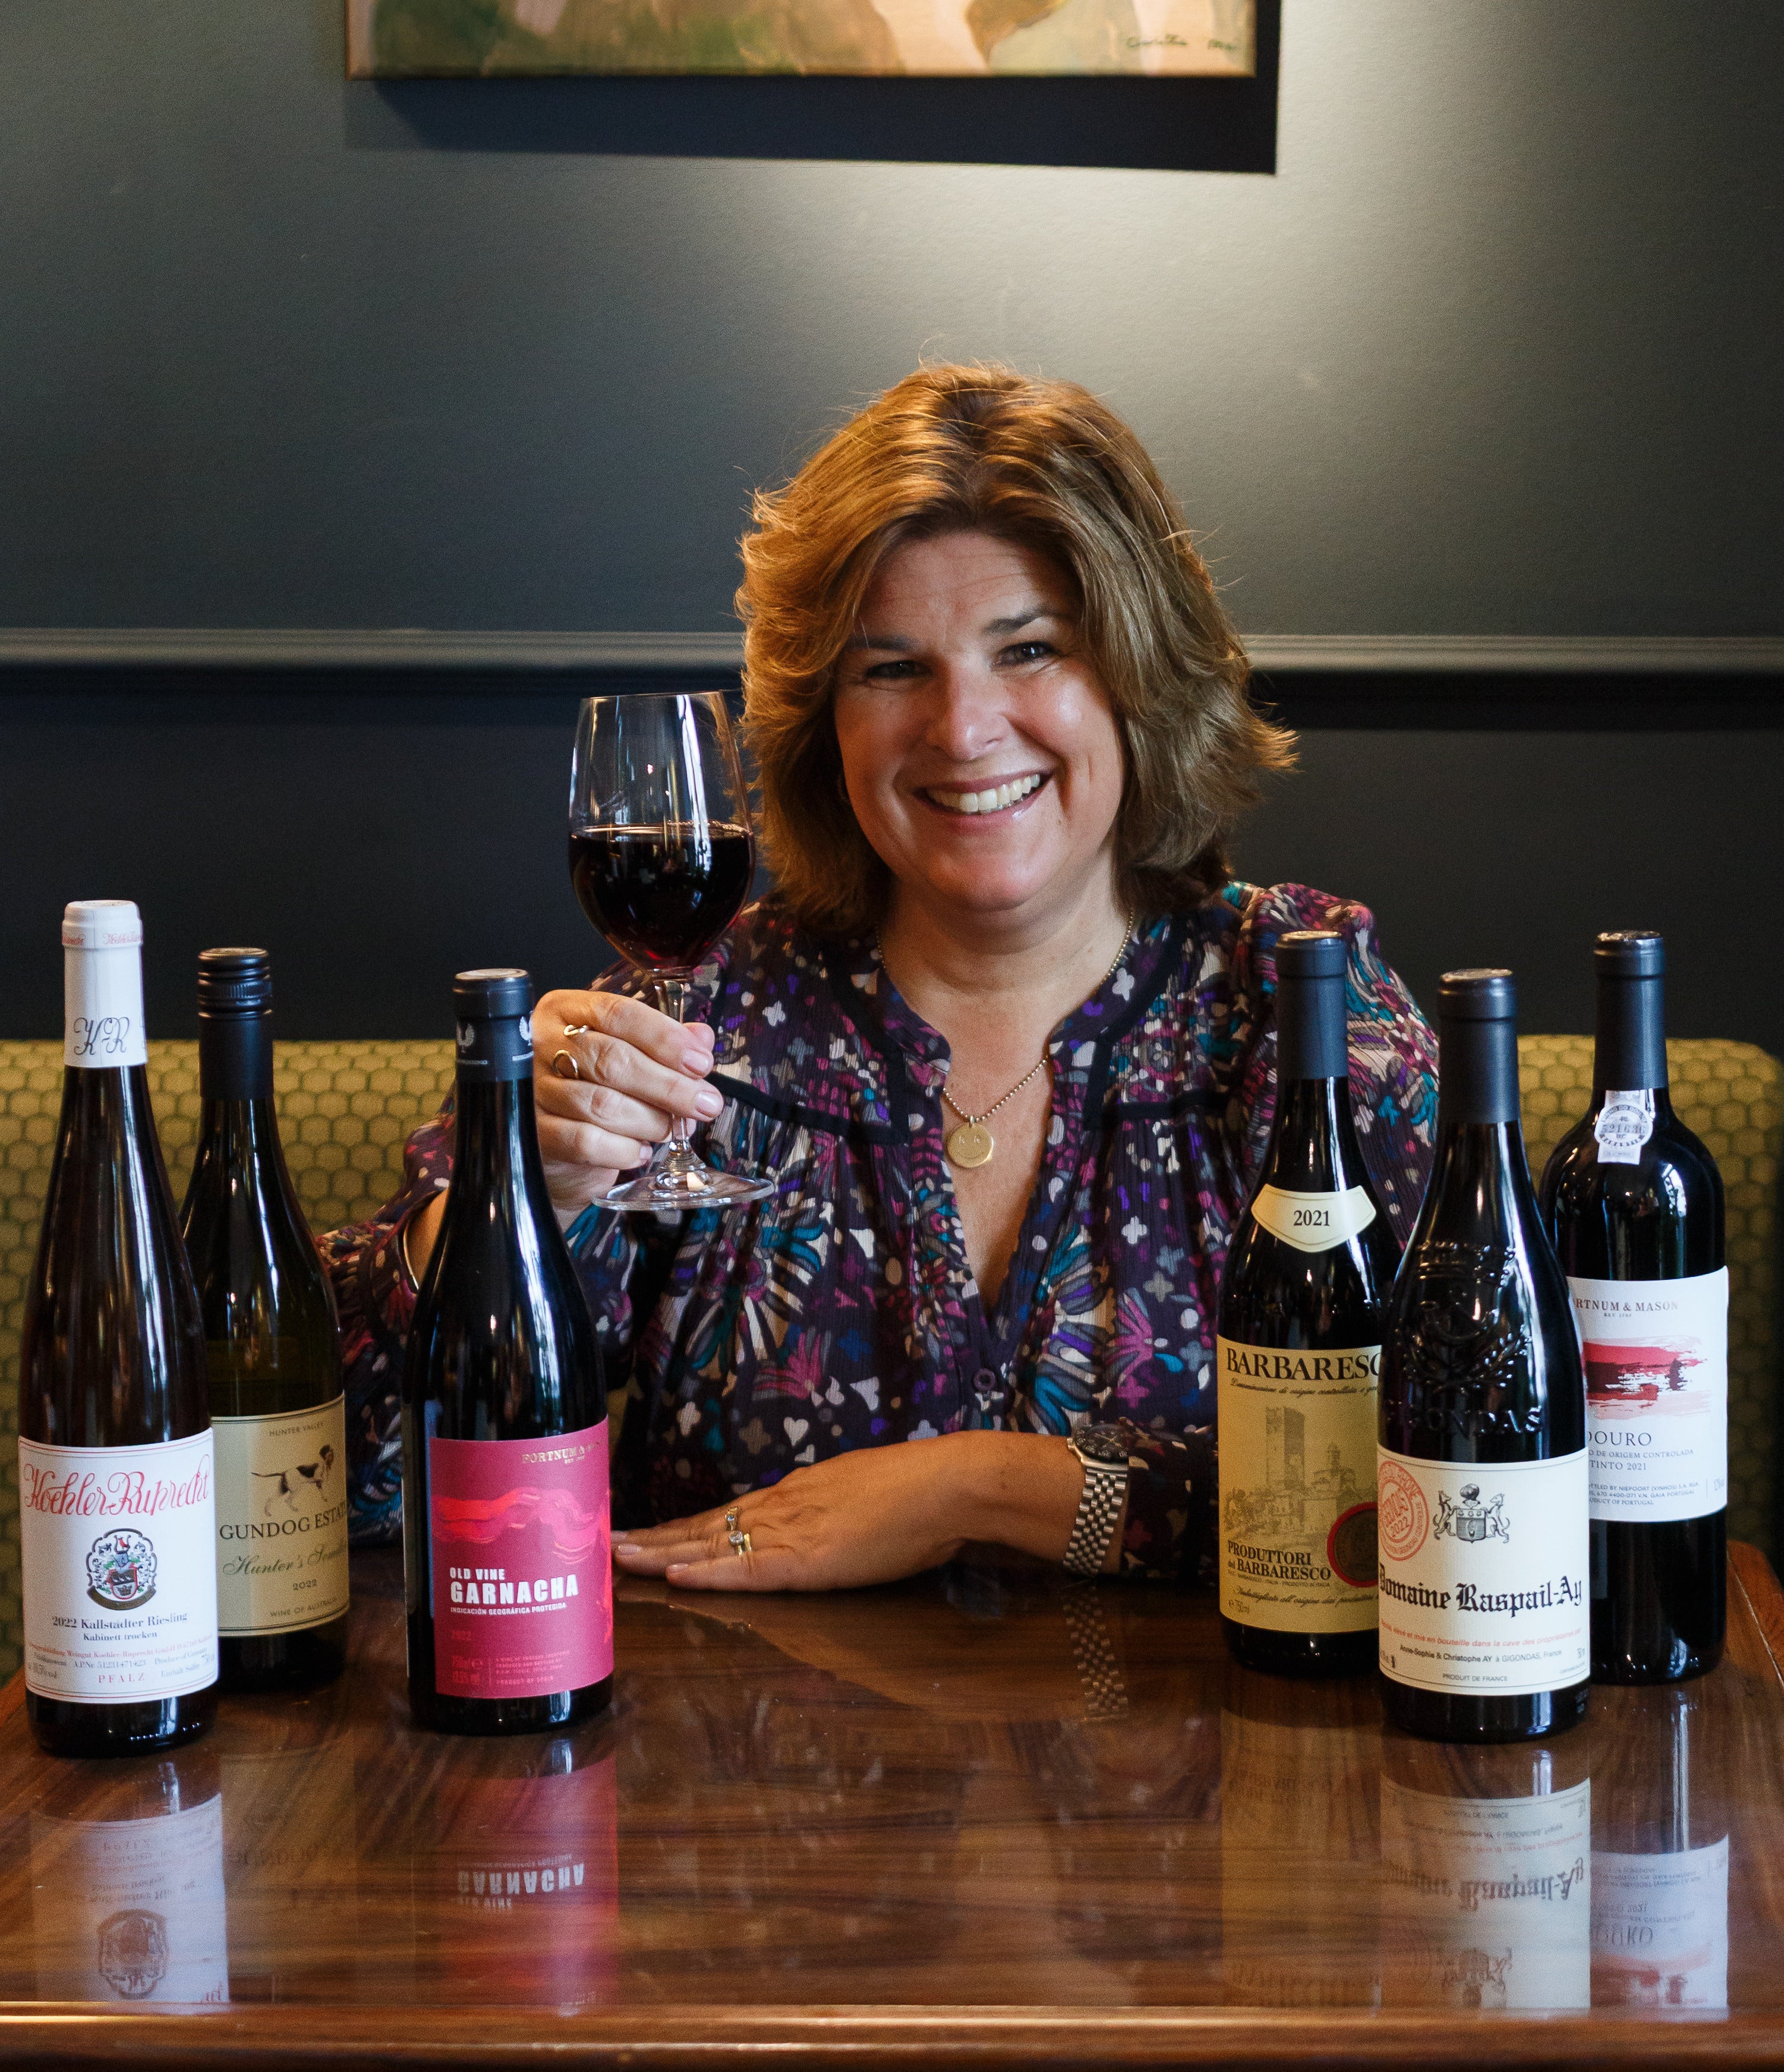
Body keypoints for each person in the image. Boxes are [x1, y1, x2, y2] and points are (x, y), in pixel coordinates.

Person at [323, 364, 1437, 1592]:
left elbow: (1465, 1478)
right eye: (892, 668)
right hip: (727, 1763)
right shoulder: (708, 1014)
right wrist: (515, 1194)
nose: (962, 729)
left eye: (1029, 650)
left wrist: (976, 1488)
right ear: (824, 719)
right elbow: (343, 1492)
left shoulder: (1298, 1002)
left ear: (1136, 673)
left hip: (1224, 1767)